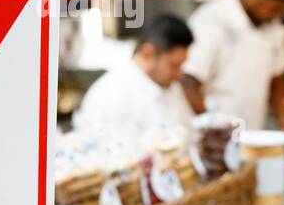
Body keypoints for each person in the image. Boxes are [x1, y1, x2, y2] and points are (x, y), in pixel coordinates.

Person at [181, 0, 284, 130]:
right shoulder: (211, 21)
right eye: (273, 8)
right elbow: (188, 84)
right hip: (215, 140)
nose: (275, 16)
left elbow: (277, 79)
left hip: (252, 136)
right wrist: (215, 127)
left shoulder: (272, 27)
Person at [72, 14, 195, 150]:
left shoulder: (169, 85)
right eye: (174, 65)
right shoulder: (110, 95)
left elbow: (190, 134)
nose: (180, 73)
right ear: (147, 53)